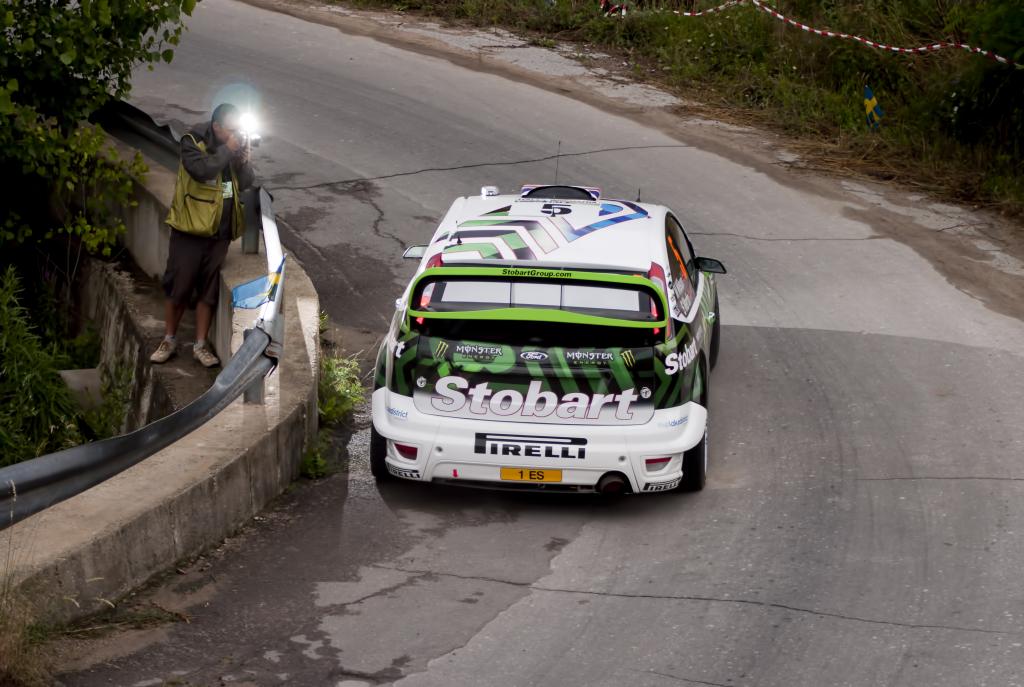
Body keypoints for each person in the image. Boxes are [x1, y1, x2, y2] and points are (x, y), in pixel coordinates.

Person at [150, 103, 256, 368]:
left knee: (208, 291)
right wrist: (228, 150)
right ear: (217, 127)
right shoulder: (192, 142)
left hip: (219, 233)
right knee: (179, 285)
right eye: (230, 130)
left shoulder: (232, 146)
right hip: (191, 229)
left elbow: (245, 183)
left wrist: (242, 161)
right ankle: (169, 339)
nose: (235, 134)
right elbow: (202, 171)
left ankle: (200, 345)